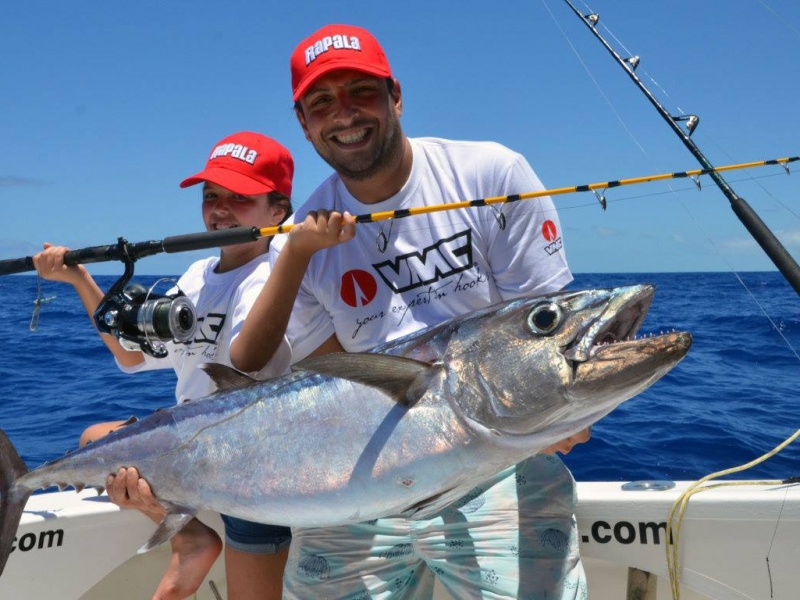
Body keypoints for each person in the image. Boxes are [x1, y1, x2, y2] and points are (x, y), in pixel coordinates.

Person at [270, 23, 589, 598]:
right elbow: (328, 378)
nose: (343, 115)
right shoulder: (298, 246)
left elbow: (539, 328)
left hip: (502, 459)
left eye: (360, 92)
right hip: (358, 477)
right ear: (303, 123)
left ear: (395, 96)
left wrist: (556, 412)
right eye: (322, 102)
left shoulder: (490, 176)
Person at [32, 131, 355, 600]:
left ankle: (203, 534)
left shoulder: (280, 275)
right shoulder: (197, 276)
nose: (220, 209)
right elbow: (129, 354)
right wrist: (78, 278)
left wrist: (298, 253)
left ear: (277, 209)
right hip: (191, 440)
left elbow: (252, 358)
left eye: (239, 198)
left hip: (253, 456)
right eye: (211, 196)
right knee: (95, 439)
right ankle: (189, 537)